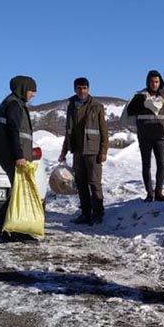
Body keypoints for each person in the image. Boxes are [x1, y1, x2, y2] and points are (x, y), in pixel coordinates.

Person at [0, 75, 38, 240]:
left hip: (10, 153)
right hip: (14, 155)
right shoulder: (14, 105)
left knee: (17, 191)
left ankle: (5, 224)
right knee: (18, 191)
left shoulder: (11, 102)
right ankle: (7, 226)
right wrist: (19, 156)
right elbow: (13, 131)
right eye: (32, 90)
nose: (34, 94)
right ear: (24, 89)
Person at [58, 77, 108, 225]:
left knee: (94, 182)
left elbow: (104, 130)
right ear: (75, 89)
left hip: (93, 150)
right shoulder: (72, 106)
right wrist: (64, 151)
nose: (82, 91)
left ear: (88, 89)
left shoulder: (97, 106)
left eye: (85, 88)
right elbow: (68, 131)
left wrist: (103, 150)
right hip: (77, 150)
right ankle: (85, 213)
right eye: (79, 88)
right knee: (81, 183)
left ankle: (98, 213)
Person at [126, 70, 164, 202]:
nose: (154, 84)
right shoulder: (141, 95)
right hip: (144, 135)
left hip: (160, 135)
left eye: (156, 81)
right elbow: (130, 111)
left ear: (160, 82)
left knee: (161, 164)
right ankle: (150, 193)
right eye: (151, 82)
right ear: (147, 82)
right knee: (146, 164)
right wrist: (143, 102)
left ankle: (159, 192)